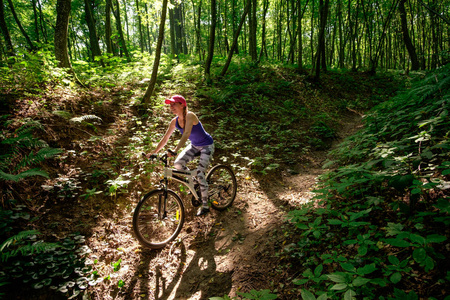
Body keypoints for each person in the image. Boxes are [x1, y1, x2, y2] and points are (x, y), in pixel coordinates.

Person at [148, 95, 214, 216]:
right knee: (178, 164)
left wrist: (175, 149)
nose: (171, 106)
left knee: (200, 174)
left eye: (174, 104)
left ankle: (205, 205)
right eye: (170, 105)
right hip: (194, 146)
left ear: (182, 105)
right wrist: (154, 152)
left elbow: (187, 133)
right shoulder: (174, 121)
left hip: (206, 146)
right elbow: (165, 139)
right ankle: (195, 184)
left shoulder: (190, 115)